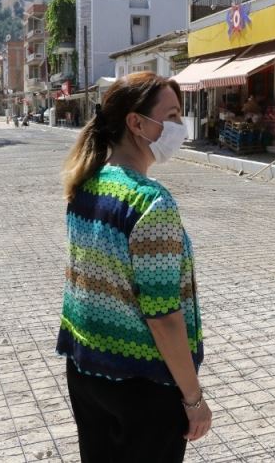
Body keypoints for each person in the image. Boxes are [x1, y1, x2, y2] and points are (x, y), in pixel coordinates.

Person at [57, 72, 211, 463]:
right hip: (144, 384)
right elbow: (163, 317)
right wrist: (194, 399)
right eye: (171, 115)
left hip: (87, 371)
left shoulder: (85, 185)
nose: (179, 125)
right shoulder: (150, 202)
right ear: (136, 123)